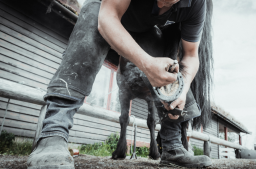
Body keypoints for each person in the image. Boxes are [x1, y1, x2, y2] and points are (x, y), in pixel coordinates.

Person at [27, 0, 212, 168]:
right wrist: (147, 64)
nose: (164, 5)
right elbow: (107, 18)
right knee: (93, 14)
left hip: (145, 32)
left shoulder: (196, 4)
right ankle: (53, 133)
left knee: (171, 62)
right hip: (111, 15)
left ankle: (172, 147)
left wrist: (183, 85)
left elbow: (191, 54)